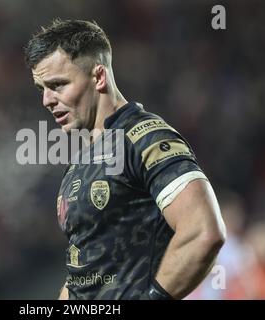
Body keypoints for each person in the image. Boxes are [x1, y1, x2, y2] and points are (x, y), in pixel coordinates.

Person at [24, 19, 226, 300]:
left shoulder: (145, 137)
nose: (47, 99)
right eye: (41, 89)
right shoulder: (79, 164)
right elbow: (83, 275)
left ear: (99, 77)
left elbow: (203, 233)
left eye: (57, 85)